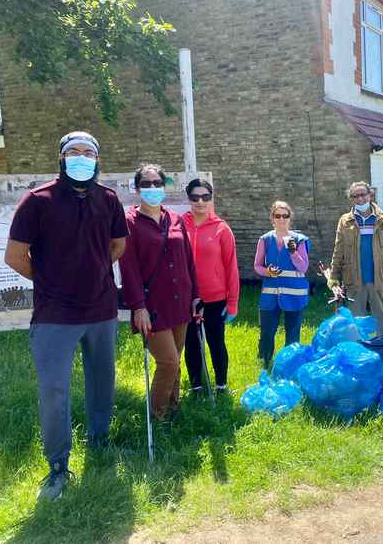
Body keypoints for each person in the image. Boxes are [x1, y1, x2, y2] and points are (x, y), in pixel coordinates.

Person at [5, 131, 128, 501]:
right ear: (60, 158)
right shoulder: (36, 201)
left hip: (101, 310)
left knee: (102, 380)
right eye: (73, 152)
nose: (80, 157)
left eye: (87, 152)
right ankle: (58, 467)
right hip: (54, 316)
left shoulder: (108, 199)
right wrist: (51, 280)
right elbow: (15, 256)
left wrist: (91, 269)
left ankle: (100, 440)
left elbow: (118, 244)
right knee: (54, 391)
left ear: (97, 159)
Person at [119, 164, 201, 420]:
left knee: (176, 360)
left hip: (181, 302)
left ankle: (174, 408)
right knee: (168, 362)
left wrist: (196, 295)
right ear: (136, 189)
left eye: (157, 183)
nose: (152, 188)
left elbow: (189, 260)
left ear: (164, 187)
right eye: (146, 183)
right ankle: (158, 416)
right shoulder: (129, 222)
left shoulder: (175, 219)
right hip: (152, 307)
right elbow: (128, 268)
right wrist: (138, 307)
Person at [182, 178, 240, 396]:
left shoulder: (221, 229)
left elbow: (231, 267)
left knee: (216, 342)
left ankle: (221, 385)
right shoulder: (179, 225)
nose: (200, 202)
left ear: (211, 198)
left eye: (205, 197)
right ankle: (196, 385)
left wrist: (232, 303)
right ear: (188, 199)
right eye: (195, 197)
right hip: (187, 299)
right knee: (191, 344)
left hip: (215, 299)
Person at [329, 181, 383, 335]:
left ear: (370, 195)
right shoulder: (345, 222)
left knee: (380, 319)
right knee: (355, 323)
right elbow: (338, 250)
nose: (360, 199)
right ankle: (358, 352)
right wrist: (333, 276)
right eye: (355, 196)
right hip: (354, 279)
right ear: (351, 199)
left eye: (363, 195)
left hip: (378, 278)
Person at [254, 201, 311, 369]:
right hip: (270, 295)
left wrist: (293, 252)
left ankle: (290, 365)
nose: (281, 219)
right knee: (267, 332)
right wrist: (268, 272)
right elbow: (257, 266)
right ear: (272, 218)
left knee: (293, 333)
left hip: (295, 295)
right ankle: (265, 362)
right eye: (277, 216)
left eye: (285, 216)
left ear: (289, 218)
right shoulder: (265, 239)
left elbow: (303, 267)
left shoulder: (300, 240)